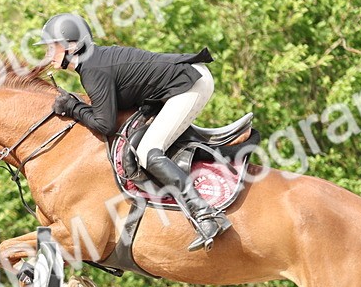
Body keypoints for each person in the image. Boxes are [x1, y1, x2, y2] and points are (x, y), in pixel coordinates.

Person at [39, 13, 232, 252]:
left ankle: (205, 214)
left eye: (52, 46)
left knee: (148, 152)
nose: (48, 54)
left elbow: (104, 125)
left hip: (189, 84)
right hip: (177, 85)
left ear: (72, 46)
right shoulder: (93, 63)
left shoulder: (93, 70)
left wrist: (72, 106)